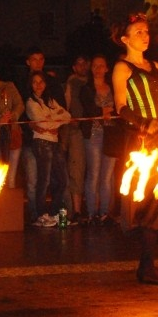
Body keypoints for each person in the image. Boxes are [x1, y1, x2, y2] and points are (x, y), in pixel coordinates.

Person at [111, 13, 158, 286]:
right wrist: (145, 122)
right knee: (148, 205)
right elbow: (121, 107)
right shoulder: (122, 68)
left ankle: (147, 267)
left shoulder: (155, 67)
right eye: (139, 32)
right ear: (125, 39)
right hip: (139, 142)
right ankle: (147, 268)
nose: (145, 36)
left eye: (146, 31)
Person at [24, 71, 71, 226]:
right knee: (43, 180)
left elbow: (67, 116)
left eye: (41, 82)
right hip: (41, 142)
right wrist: (54, 119)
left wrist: (52, 121)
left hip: (54, 141)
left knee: (62, 179)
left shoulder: (50, 101)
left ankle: (55, 212)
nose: (38, 85)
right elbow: (42, 122)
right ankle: (41, 214)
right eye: (35, 82)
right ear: (30, 85)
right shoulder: (31, 102)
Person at [79, 54, 118, 225]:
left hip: (111, 135)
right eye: (95, 65)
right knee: (93, 174)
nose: (98, 69)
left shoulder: (114, 88)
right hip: (93, 134)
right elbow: (90, 109)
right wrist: (103, 112)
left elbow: (119, 108)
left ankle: (104, 212)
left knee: (107, 176)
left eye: (101, 65)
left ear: (107, 68)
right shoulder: (86, 88)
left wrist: (106, 111)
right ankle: (92, 213)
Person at [64, 54, 90, 223]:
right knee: (76, 169)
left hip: (95, 130)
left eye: (83, 63)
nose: (81, 66)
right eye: (78, 64)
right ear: (74, 67)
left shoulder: (92, 82)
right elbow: (66, 105)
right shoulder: (71, 83)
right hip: (76, 130)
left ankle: (97, 210)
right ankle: (77, 210)